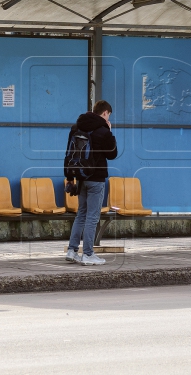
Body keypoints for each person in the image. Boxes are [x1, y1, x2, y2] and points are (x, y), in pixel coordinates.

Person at [65, 100, 118, 266]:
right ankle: (88, 254)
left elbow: (68, 153)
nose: (108, 117)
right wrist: (109, 131)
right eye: (108, 115)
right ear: (104, 113)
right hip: (96, 179)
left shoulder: (76, 127)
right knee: (92, 217)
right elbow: (112, 154)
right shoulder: (102, 130)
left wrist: (70, 177)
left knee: (81, 213)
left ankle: (72, 251)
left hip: (80, 177)